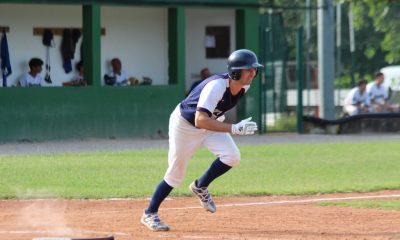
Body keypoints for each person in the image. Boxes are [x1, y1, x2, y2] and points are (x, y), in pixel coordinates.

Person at [140, 49, 262, 231]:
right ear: (235, 72)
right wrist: (233, 128)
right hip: (185, 126)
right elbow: (200, 119)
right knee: (175, 174)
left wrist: (228, 128)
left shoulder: (244, 86)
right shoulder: (217, 86)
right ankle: (149, 213)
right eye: (248, 69)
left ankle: (200, 186)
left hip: (210, 125)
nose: (253, 73)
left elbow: (213, 116)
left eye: (254, 69)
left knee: (232, 156)